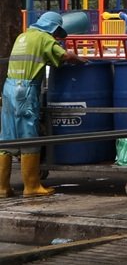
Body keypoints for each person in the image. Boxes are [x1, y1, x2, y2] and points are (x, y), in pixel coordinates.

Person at [1, 11, 86, 197]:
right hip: (25, 90)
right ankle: (32, 186)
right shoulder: (44, 38)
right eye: (57, 32)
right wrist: (81, 60)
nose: (56, 36)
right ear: (53, 28)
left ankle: (2, 188)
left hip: (8, 89)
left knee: (7, 137)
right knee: (29, 137)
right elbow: (65, 56)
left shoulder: (23, 36)